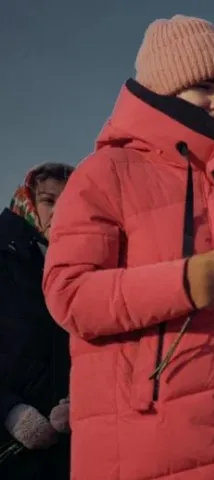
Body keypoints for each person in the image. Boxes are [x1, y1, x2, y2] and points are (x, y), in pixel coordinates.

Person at [42, 15, 214, 480]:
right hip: (141, 446)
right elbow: (70, 293)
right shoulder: (105, 172)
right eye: (204, 86)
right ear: (164, 87)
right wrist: (180, 283)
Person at [0, 164, 73, 480]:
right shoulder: (4, 258)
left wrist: (84, 398)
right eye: (48, 201)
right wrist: (9, 411)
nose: (58, 212)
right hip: (10, 447)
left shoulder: (89, 263)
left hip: (69, 446)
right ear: (28, 200)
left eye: (68, 202)